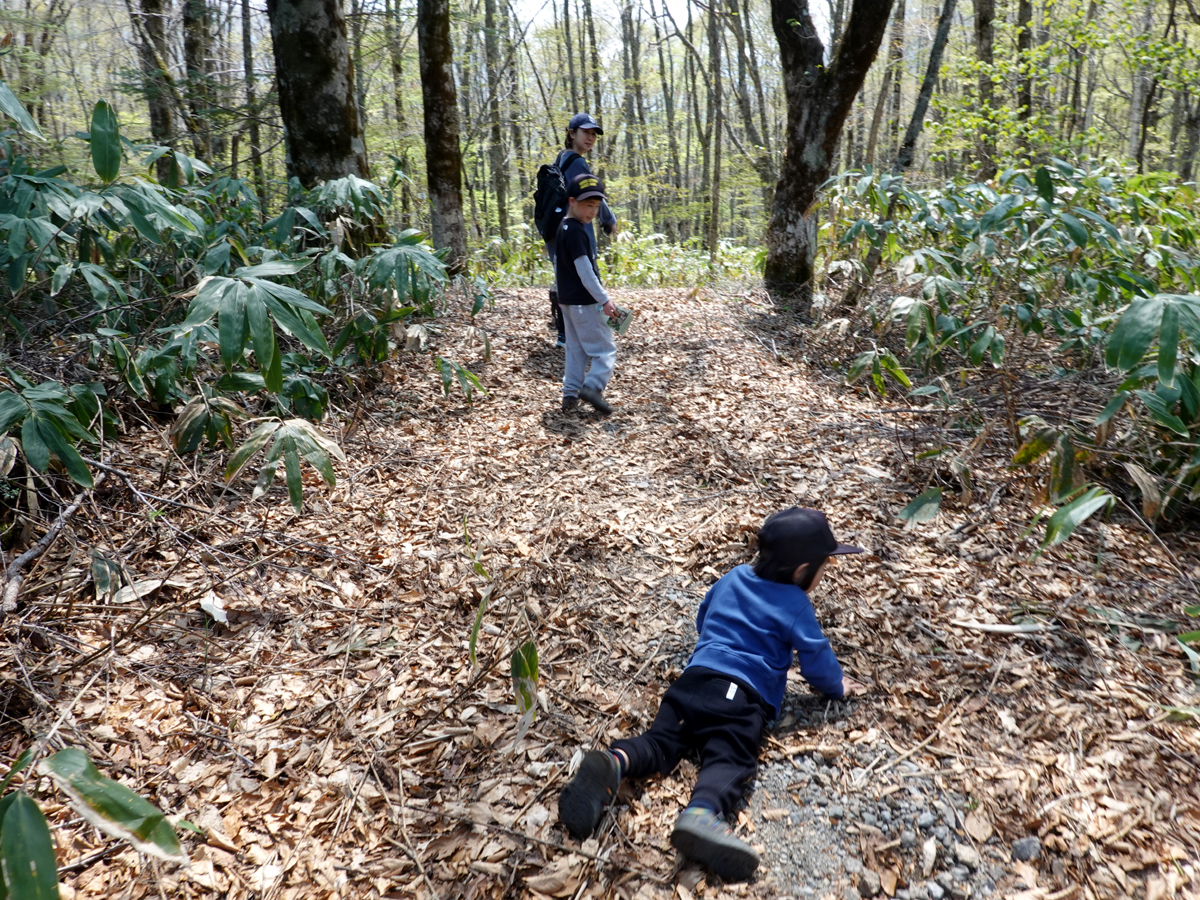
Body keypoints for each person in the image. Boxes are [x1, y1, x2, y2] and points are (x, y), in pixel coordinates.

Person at [557, 507, 867, 882]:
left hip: (693, 680)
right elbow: (817, 660)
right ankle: (703, 813)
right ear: (802, 572)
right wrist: (837, 686)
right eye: (823, 567)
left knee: (660, 742)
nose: (823, 573)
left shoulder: (734, 577)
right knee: (729, 757)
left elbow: (704, 616)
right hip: (738, 696)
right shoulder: (796, 603)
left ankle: (616, 761)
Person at [546, 112, 617, 348]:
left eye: (593, 134)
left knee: (565, 280)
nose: (590, 138)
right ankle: (593, 335)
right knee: (589, 278)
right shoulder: (576, 162)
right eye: (585, 132)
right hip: (576, 231)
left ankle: (564, 336)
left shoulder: (560, 159)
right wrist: (608, 219)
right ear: (571, 133)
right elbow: (593, 194)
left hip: (557, 231)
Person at [555, 173, 619, 415]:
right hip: (585, 302)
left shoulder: (564, 226)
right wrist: (604, 299)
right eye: (587, 206)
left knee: (575, 350)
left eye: (596, 206)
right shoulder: (577, 232)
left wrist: (561, 298)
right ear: (572, 201)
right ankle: (592, 387)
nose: (592, 212)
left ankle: (570, 395)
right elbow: (584, 271)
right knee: (605, 350)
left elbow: (560, 267)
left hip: (569, 303)